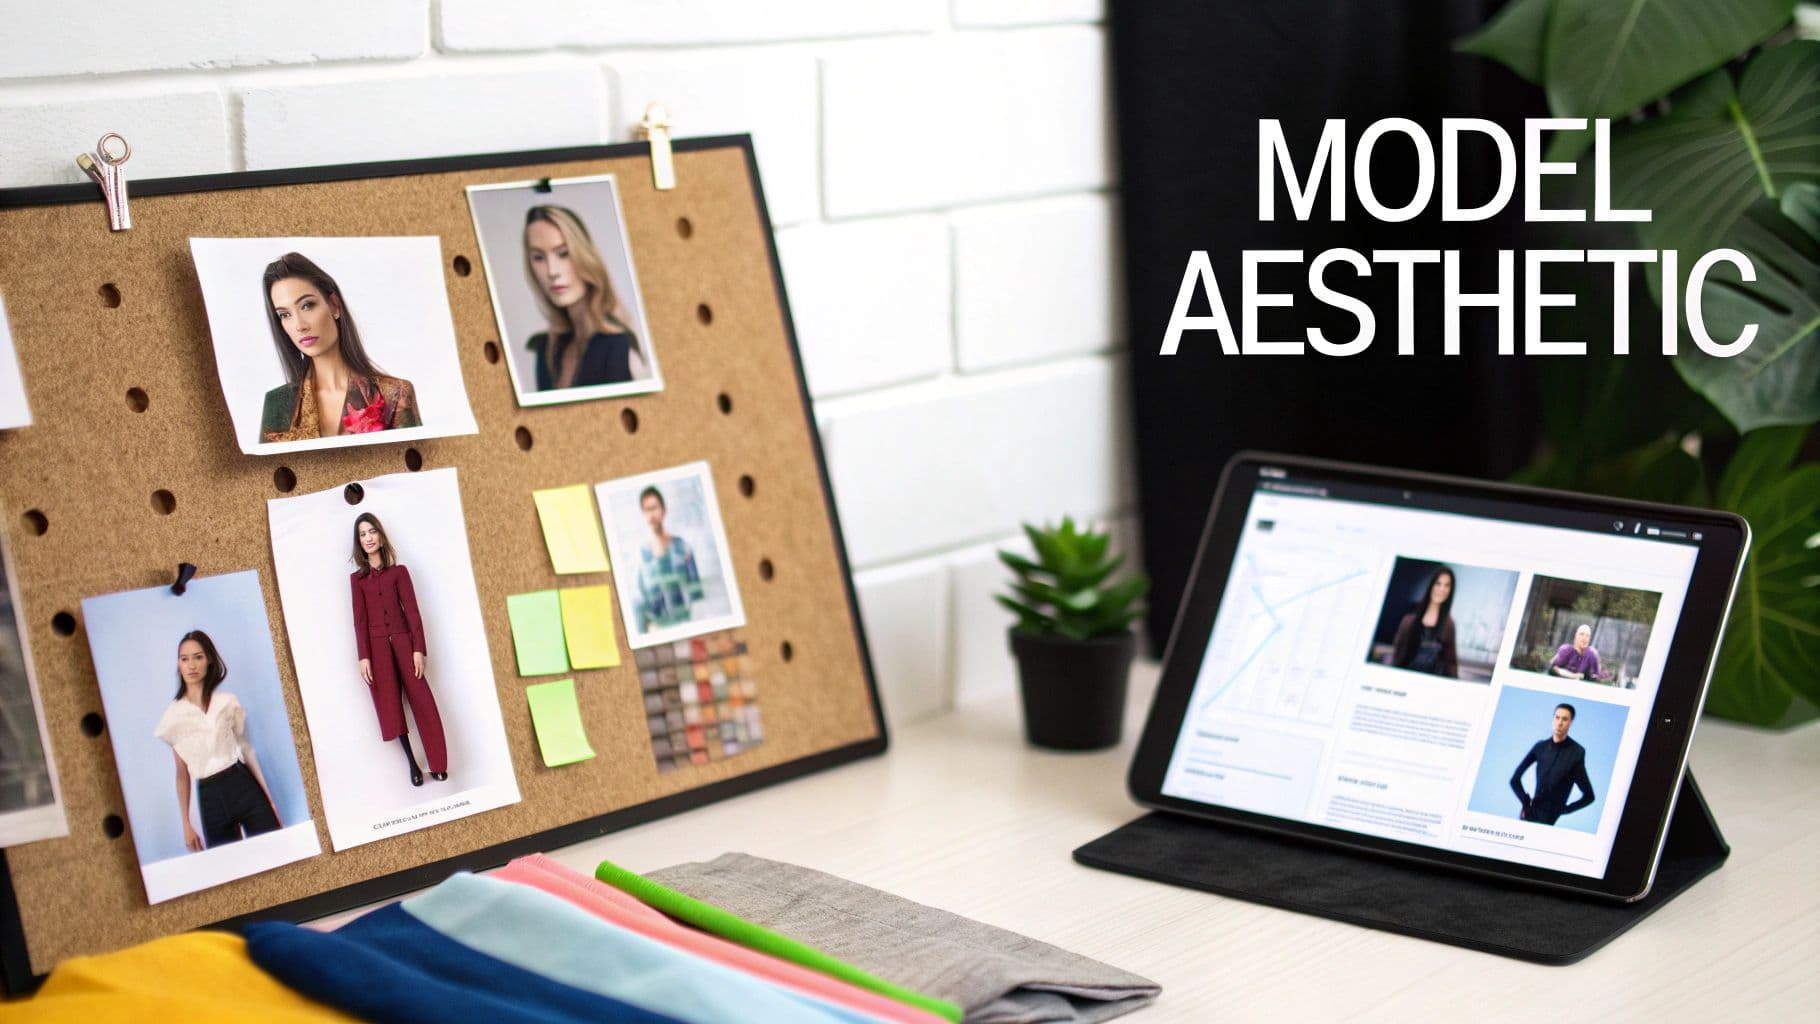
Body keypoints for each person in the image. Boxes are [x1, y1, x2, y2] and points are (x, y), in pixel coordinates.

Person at [259, 252, 421, 442]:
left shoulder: (395, 394)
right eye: (284, 315)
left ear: (334, 305)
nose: (299, 325)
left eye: (307, 305)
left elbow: (415, 467)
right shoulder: (278, 403)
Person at [153, 631, 281, 850]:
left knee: (275, 851)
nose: (191, 665)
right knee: (231, 870)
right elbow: (181, 774)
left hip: (242, 784)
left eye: (198, 657)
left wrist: (268, 799)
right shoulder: (173, 717)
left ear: (209, 660)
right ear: (179, 664)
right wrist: (186, 824)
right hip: (210, 797)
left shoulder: (228, 702)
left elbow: (246, 749)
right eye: (184, 659)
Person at [350, 513, 448, 787]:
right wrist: (363, 657)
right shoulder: (357, 581)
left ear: (380, 535)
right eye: (362, 534)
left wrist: (419, 649)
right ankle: (413, 764)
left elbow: (413, 613)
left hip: (405, 643)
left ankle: (438, 764)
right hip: (376, 649)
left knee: (423, 701)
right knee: (391, 706)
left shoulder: (399, 573)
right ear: (358, 542)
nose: (368, 538)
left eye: (372, 532)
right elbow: (359, 622)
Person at [521, 204, 649, 391]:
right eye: (539, 257)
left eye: (563, 254)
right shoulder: (545, 348)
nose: (552, 271)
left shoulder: (619, 346)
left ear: (584, 255)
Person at [1509, 702, 1596, 825]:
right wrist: (1525, 801)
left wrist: (1565, 809)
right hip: (1528, 815)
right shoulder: (1540, 747)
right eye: (1557, 717)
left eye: (1565, 719)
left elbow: (1589, 796)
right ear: (1553, 719)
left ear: (1570, 723)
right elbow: (1514, 780)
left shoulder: (1576, 753)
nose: (1559, 723)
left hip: (1548, 819)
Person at [633, 485, 705, 634]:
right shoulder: (641, 556)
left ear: (663, 510)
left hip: (686, 624)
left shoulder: (682, 547)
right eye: (646, 510)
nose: (651, 514)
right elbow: (641, 599)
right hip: (658, 631)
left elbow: (697, 592)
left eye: (654, 508)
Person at [1387, 565, 1459, 677]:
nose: (1442, 589)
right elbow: (1398, 654)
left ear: (1451, 590)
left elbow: (1451, 663)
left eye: (1447, 585)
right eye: (1438, 583)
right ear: (1431, 585)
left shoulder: (1449, 625)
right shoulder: (1408, 620)